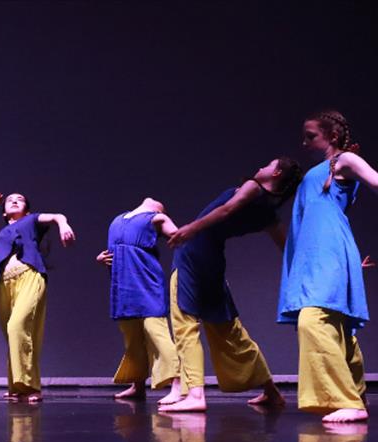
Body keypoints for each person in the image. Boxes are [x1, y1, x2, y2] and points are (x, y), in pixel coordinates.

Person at [162, 157, 301, 412]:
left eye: (268, 165)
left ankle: (194, 394)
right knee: (228, 329)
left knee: (185, 324)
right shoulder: (268, 213)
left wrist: (190, 228)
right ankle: (271, 391)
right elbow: (287, 247)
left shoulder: (252, 187)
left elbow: (227, 209)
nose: (260, 167)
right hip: (213, 259)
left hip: (193, 255)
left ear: (277, 172)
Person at [278, 110, 378, 423]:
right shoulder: (322, 169)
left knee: (313, 320)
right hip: (317, 254)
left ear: (332, 136)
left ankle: (345, 399)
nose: (304, 142)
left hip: (329, 250)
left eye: (311, 136)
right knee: (336, 325)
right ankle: (355, 393)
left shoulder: (343, 160)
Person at [0, 192, 74, 402]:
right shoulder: (0, 238)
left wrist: (63, 224)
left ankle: (29, 385)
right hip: (4, 284)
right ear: (4, 212)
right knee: (14, 336)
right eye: (9, 200)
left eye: (19, 199)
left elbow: (56, 216)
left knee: (17, 327)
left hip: (29, 277)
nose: (14, 201)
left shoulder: (31, 220)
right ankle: (17, 386)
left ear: (26, 209)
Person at [96, 197, 181, 403]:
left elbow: (179, 235)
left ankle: (179, 385)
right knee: (131, 336)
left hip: (146, 281)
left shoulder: (157, 217)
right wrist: (101, 258)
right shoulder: (118, 219)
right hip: (122, 284)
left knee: (156, 332)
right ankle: (137, 385)